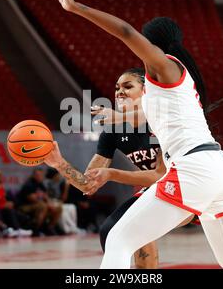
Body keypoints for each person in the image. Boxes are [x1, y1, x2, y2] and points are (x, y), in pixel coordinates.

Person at [56, 0, 223, 269]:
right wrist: (119, 115)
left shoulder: (164, 67)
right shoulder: (175, 84)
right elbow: (152, 115)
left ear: (152, 44)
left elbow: (125, 31)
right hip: (218, 169)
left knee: (118, 240)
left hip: (193, 169)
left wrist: (78, 9)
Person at [45, 68, 193, 268]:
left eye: (127, 86)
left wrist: (112, 174)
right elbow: (88, 184)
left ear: (145, 91)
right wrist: (59, 164)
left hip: (190, 185)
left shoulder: (160, 119)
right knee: (128, 232)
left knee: (116, 229)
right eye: (116, 88)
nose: (119, 92)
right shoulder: (113, 131)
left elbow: (161, 175)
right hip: (159, 191)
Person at [16, 168, 62, 235]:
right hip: (24, 206)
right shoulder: (29, 184)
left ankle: (50, 227)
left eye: (41, 175)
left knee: (58, 208)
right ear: (34, 175)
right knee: (42, 206)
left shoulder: (41, 184)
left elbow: (46, 196)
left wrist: (50, 204)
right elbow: (32, 199)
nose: (39, 177)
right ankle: (36, 228)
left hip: (37, 204)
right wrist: (45, 202)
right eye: (37, 175)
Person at [45, 168, 84, 235]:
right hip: (50, 203)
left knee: (72, 207)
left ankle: (73, 227)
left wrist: (66, 186)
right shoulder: (46, 183)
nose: (59, 176)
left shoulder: (58, 184)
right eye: (58, 174)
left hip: (58, 202)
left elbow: (63, 199)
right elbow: (46, 196)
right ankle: (67, 230)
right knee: (63, 210)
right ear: (54, 175)